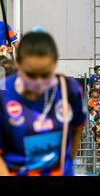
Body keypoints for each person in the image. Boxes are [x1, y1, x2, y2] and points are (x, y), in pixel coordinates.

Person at [0, 31, 86, 176]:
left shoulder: (70, 90)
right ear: (18, 64)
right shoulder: (3, 96)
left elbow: (77, 130)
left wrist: (65, 167)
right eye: (31, 74)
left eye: (45, 74)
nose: (39, 81)